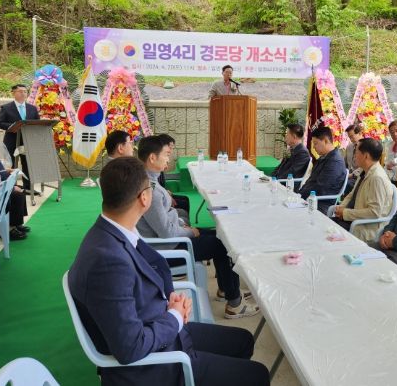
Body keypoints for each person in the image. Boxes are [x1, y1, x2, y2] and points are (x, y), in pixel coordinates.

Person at [68, 157, 270, 386]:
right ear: (144, 198)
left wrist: (170, 301)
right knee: (258, 375)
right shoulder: (108, 262)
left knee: (243, 340)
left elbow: (144, 279)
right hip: (156, 366)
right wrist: (174, 316)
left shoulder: (113, 231)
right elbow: (130, 348)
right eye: (151, 188)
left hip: (162, 329)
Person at [136, 136, 259, 319]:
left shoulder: (148, 181)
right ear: (152, 158)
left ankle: (226, 289)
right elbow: (166, 232)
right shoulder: (150, 189)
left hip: (169, 241)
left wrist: (181, 224)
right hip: (167, 250)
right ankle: (235, 304)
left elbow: (166, 218)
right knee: (223, 245)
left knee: (220, 237)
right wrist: (189, 231)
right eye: (165, 155)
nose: (169, 159)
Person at [329, 138, 392, 242]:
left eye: (356, 152)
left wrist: (345, 213)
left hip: (363, 226)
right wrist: (341, 207)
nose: (354, 156)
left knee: (327, 236)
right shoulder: (365, 171)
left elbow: (374, 212)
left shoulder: (377, 178)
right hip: (352, 219)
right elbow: (352, 194)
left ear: (366, 156)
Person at [0, 84, 40, 193]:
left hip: (27, 140)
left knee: (27, 164)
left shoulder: (32, 108)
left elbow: (37, 122)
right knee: (10, 163)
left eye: (25, 91)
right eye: (20, 91)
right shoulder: (6, 108)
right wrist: (13, 126)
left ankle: (28, 187)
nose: (23, 93)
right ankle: (11, 188)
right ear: (13, 93)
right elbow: (0, 123)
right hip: (11, 140)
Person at [298, 126, 346, 215]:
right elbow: (311, 181)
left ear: (326, 141)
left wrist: (300, 196)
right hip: (311, 198)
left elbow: (321, 187)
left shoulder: (335, 161)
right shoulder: (324, 157)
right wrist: (299, 194)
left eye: (315, 143)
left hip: (321, 202)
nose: (313, 147)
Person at [155, 133, 190, 215]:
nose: (170, 151)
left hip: (162, 195)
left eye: (172, 148)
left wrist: (165, 192)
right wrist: (166, 196)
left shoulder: (160, 161)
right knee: (183, 204)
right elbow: (154, 189)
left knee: (185, 200)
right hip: (161, 200)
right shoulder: (153, 168)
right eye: (169, 148)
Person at [270, 123, 311, 191]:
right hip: (279, 181)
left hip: (288, 185)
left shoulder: (303, 153)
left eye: (287, 134)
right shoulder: (292, 149)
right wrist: (271, 177)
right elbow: (280, 167)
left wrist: (276, 180)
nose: (285, 136)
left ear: (294, 136)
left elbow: (291, 172)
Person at [343, 123, 363, 194]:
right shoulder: (349, 147)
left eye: (352, 136)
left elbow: (366, 166)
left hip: (359, 177)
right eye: (349, 137)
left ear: (360, 133)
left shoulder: (367, 147)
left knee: (345, 184)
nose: (351, 139)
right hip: (348, 176)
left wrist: (352, 175)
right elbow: (344, 163)